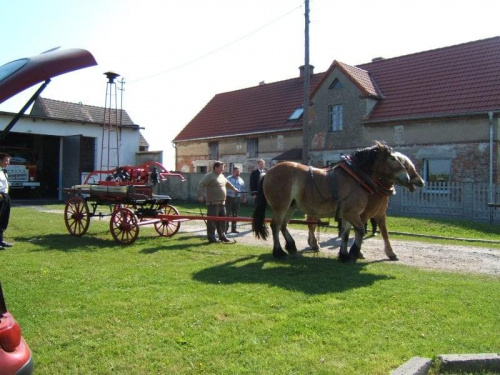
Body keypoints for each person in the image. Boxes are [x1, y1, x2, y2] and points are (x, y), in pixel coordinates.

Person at [197, 161, 239, 244]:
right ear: (215, 167)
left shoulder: (221, 175)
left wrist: (234, 189)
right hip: (213, 203)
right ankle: (211, 237)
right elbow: (200, 184)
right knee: (212, 221)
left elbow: (227, 183)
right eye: (221, 167)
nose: (222, 169)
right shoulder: (209, 175)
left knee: (223, 220)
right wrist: (200, 196)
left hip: (222, 202)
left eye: (223, 167)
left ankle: (222, 236)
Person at [225, 167, 246, 234]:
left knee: (235, 214)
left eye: (239, 172)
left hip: (237, 198)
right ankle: (225, 229)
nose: (238, 173)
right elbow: (224, 188)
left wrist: (244, 197)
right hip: (229, 198)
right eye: (236, 172)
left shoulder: (241, 180)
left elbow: (243, 189)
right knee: (227, 213)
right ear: (233, 172)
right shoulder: (228, 179)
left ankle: (234, 228)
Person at [0, 153, 13, 249]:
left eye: (8, 161)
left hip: (5, 196)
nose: (8, 163)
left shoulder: (3, 171)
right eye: (6, 160)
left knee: (4, 218)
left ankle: (1, 240)